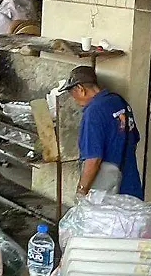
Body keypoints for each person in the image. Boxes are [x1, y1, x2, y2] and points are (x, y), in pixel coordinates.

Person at [58, 66, 143, 198]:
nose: (74, 100)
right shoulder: (119, 101)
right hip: (130, 183)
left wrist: (82, 190)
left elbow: (93, 159)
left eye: (72, 94)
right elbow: (135, 138)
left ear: (80, 89)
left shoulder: (93, 112)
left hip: (107, 192)